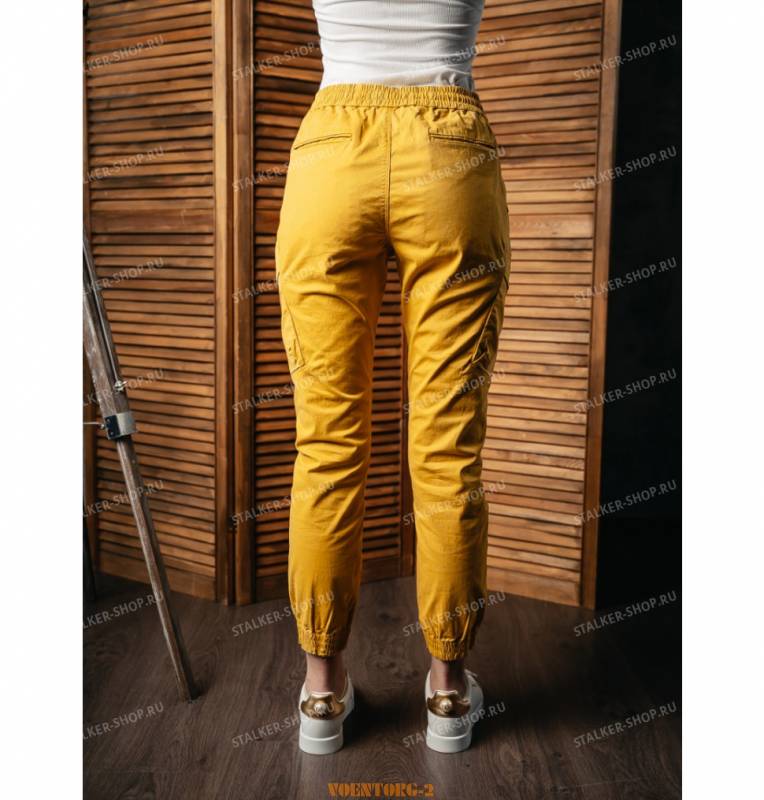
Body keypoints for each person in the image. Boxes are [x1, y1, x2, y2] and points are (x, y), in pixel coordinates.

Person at [275, 0, 509, 754]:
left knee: (326, 442)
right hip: (449, 150)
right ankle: (447, 691)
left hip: (330, 154)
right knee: (448, 445)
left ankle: (321, 692)